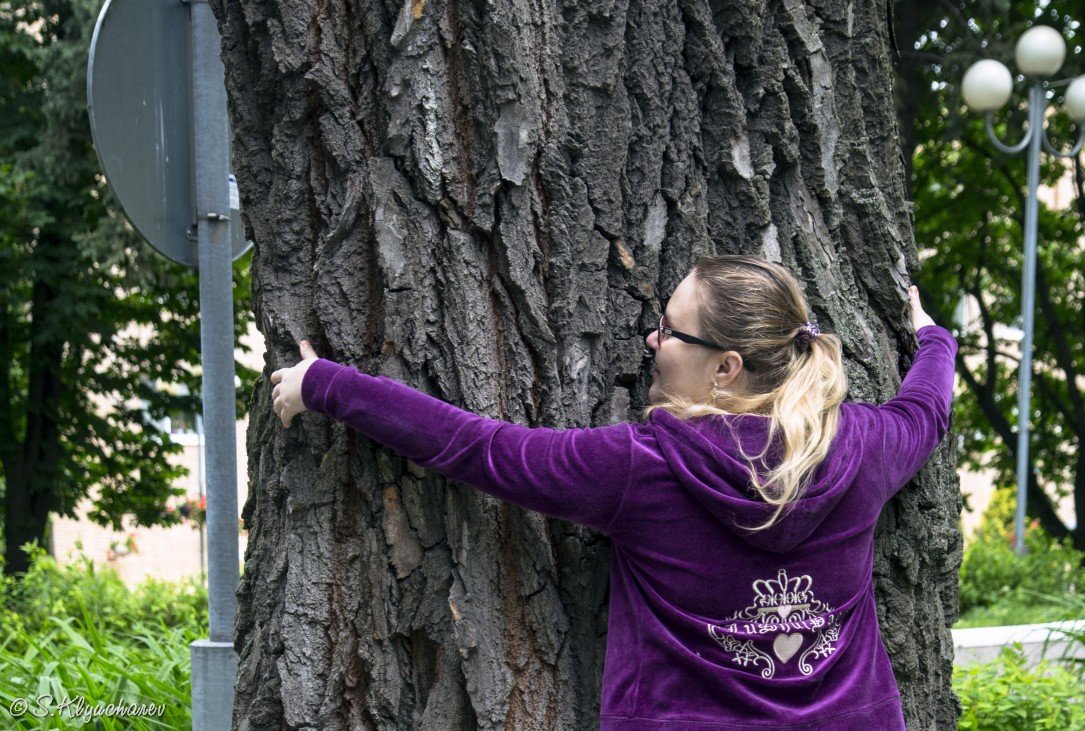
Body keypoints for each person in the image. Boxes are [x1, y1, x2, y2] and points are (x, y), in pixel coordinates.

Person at [271, 255, 956, 730]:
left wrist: (328, 384)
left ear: (726, 366)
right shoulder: (862, 446)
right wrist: (933, 339)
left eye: (671, 329)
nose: (651, 338)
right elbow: (926, 410)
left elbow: (478, 447)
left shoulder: (640, 468)